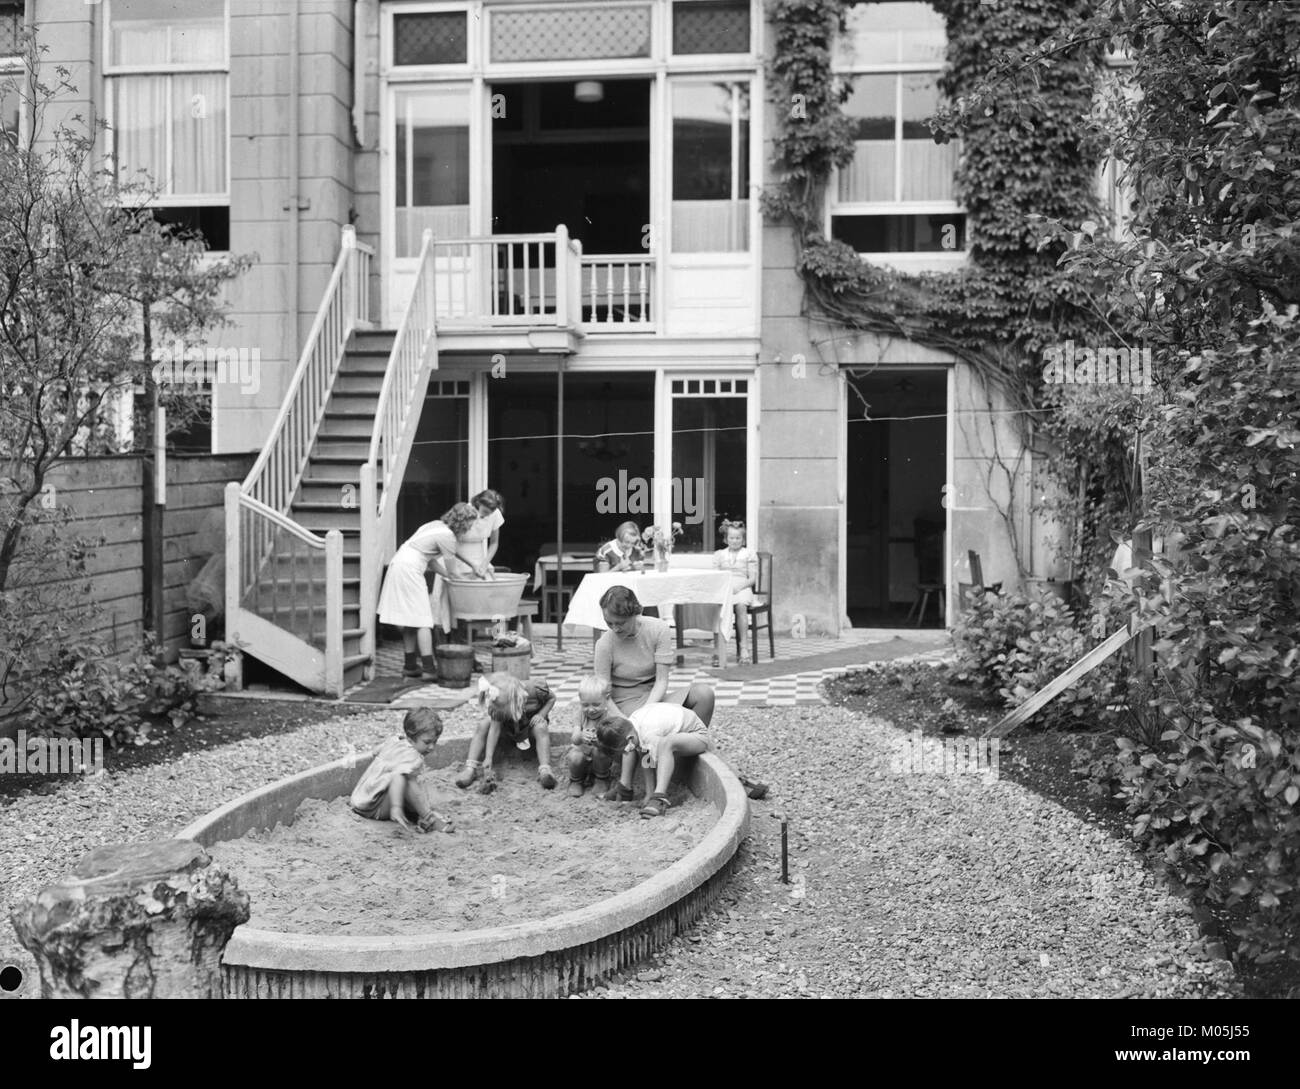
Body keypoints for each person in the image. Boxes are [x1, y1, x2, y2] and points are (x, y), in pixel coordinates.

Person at [599, 702, 767, 815]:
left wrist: (654, 793)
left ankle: (660, 798)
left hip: (697, 735)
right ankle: (653, 795)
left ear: (629, 739)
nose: (628, 752)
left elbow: (656, 760)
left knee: (666, 744)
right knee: (652, 750)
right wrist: (646, 795)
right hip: (681, 733)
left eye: (625, 750)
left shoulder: (649, 732)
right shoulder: (634, 725)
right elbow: (646, 759)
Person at [377, 503, 481, 678]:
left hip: (399, 564)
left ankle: (410, 666)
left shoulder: (434, 525)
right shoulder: (448, 537)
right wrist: (466, 582)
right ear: (462, 522)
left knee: (409, 620)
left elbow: (431, 561)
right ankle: (428, 670)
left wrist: (449, 575)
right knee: (424, 621)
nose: (470, 528)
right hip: (410, 570)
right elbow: (453, 571)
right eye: (470, 524)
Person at [593, 585, 715, 725]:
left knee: (704, 695)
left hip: (654, 698)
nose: (615, 628)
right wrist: (624, 721)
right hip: (623, 706)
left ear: (634, 614)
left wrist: (647, 713)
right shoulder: (604, 644)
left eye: (620, 623)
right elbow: (603, 695)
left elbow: (662, 681)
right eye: (609, 623)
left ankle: (693, 741)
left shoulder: (658, 629)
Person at [349, 708, 453, 833]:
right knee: (408, 780)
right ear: (410, 739)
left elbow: (375, 752)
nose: (431, 747)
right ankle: (428, 818)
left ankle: (415, 813)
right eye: (427, 742)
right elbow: (398, 778)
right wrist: (396, 807)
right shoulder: (412, 755)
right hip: (373, 808)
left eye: (435, 741)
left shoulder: (396, 740)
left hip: (360, 799)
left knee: (409, 778)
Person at [454, 672, 557, 792]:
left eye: (505, 713)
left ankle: (545, 769)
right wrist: (488, 757)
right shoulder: (498, 701)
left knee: (541, 727)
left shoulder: (536, 690)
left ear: (516, 702)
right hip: (509, 729)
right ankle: (470, 768)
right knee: (483, 725)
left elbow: (552, 698)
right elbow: (494, 729)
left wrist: (541, 714)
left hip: (529, 726)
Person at [564, 675, 629, 797]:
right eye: (585, 705)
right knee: (575, 756)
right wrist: (581, 735)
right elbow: (574, 739)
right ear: (580, 701)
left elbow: (612, 744)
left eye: (596, 704)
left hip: (600, 755)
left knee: (601, 753)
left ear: (606, 700)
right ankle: (576, 780)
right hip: (581, 751)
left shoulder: (609, 717)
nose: (591, 709)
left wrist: (600, 741)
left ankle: (601, 779)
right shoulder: (579, 715)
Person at [713, 519, 759, 665]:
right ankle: (718, 650)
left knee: (740, 606)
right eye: (732, 538)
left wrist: (739, 587)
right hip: (724, 587)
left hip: (742, 587)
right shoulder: (720, 555)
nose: (735, 541)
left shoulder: (748, 554)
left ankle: (744, 648)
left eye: (738, 538)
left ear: (743, 539)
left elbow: (752, 579)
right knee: (717, 609)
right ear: (726, 539)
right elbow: (715, 576)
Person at [448, 488, 505, 579]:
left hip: (479, 556)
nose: (488, 515)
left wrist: (485, 564)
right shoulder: (465, 512)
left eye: (491, 513)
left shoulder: (495, 513)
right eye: (485, 512)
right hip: (457, 555)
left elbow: (494, 543)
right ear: (478, 503)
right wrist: (472, 564)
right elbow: (450, 545)